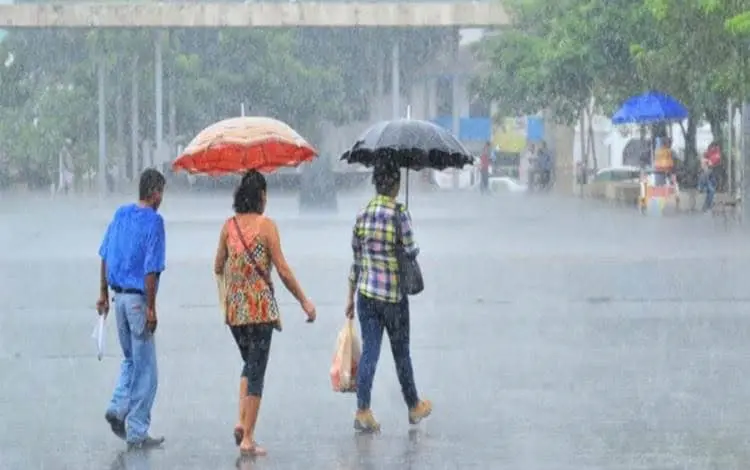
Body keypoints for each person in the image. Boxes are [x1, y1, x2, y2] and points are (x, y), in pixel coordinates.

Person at [213, 170, 316, 456]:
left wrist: (238, 274)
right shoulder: (266, 226)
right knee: (257, 371)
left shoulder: (228, 227)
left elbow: (218, 265)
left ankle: (240, 420)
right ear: (261, 196)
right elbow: (282, 269)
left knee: (249, 364)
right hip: (259, 311)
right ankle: (248, 438)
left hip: (235, 313)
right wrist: (304, 301)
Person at [345, 162, 432, 433]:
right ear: (395, 184)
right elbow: (411, 250)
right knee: (401, 353)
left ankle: (363, 410)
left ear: (376, 183)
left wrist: (349, 297)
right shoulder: (399, 213)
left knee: (370, 351)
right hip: (394, 296)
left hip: (366, 295)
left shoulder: (362, 214)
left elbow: (357, 260)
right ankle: (413, 406)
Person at [97, 168, 167, 449]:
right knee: (147, 371)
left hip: (119, 299)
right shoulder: (154, 222)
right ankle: (137, 430)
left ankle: (117, 407)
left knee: (130, 360)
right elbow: (151, 268)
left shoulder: (121, 215)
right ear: (154, 193)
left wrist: (103, 294)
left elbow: (105, 254)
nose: (162, 198)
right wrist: (151, 308)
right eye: (161, 192)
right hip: (138, 300)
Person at [699, 141, 720, 212]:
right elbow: (705, 161)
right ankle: (707, 206)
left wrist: (707, 162)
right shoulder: (710, 153)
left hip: (710, 174)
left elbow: (712, 162)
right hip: (709, 174)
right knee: (711, 191)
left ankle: (707, 206)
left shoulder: (715, 154)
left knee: (711, 191)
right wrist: (706, 161)